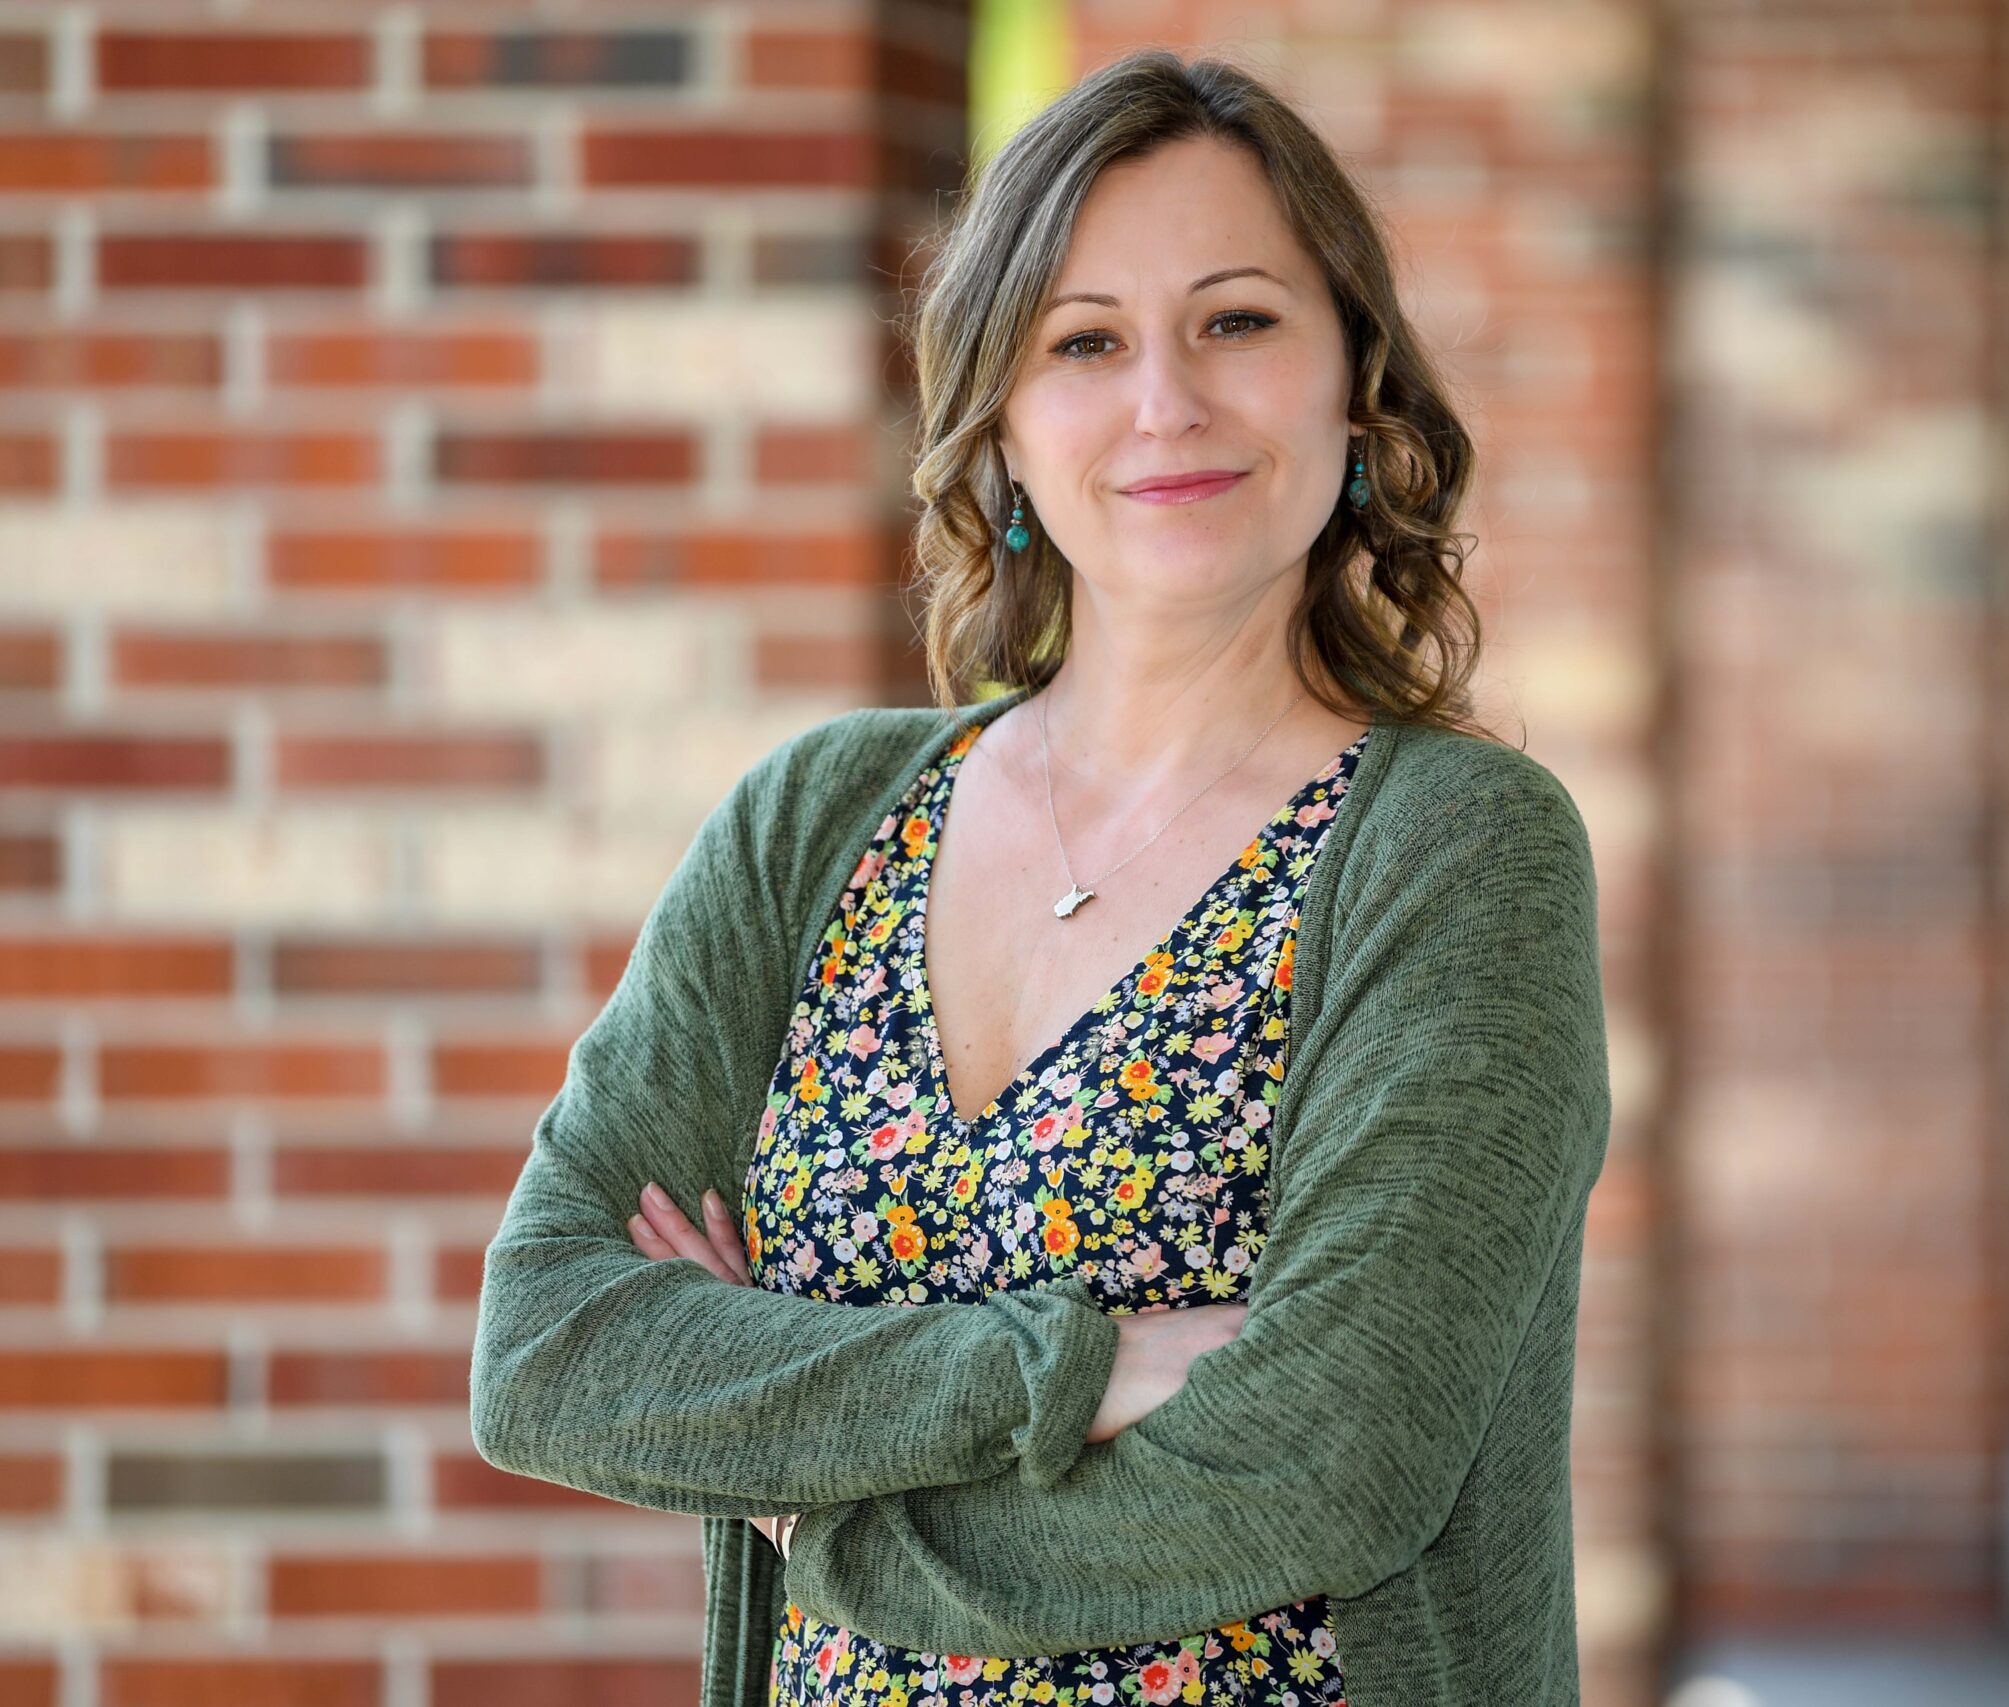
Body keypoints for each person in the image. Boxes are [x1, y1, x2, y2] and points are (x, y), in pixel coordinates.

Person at [468, 47, 1611, 1707]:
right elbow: (554, 1350)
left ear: (1353, 381)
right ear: (1002, 421)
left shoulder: (1461, 854)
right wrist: (1078, 1362)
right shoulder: (813, 824)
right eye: (1086, 342)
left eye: (1237, 320)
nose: (1168, 403)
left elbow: (1331, 1457)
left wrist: (811, 1495)